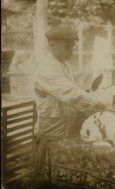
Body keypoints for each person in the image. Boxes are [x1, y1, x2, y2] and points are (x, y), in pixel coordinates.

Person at [32, 27, 105, 189]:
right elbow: (70, 92)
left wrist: (94, 95)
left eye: (73, 46)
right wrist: (100, 104)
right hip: (51, 131)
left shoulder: (63, 65)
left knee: (66, 171)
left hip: (64, 126)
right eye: (68, 46)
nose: (72, 50)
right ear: (52, 44)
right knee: (48, 175)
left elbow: (75, 91)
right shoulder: (46, 68)